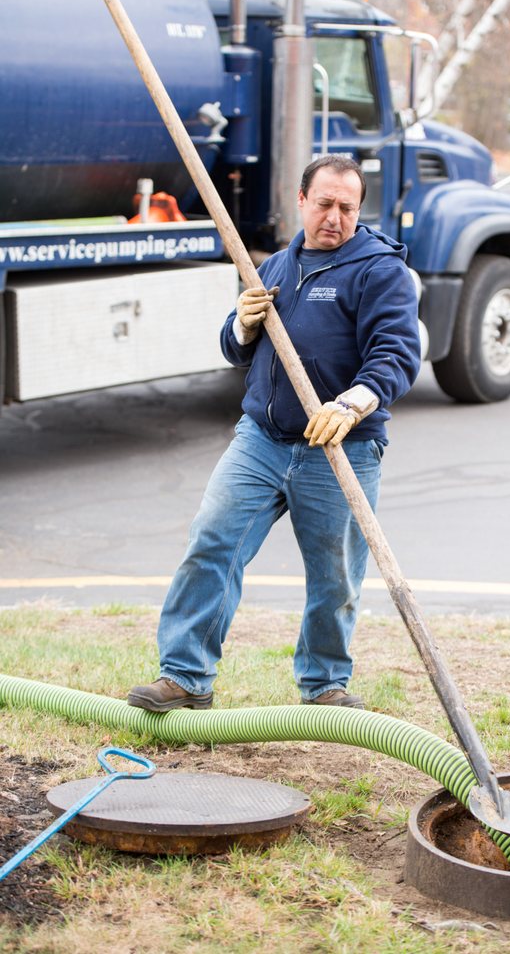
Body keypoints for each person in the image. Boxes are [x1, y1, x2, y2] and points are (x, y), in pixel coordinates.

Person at [128, 155, 422, 713]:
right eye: (326, 204)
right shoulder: (278, 266)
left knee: (335, 576)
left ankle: (324, 685)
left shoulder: (379, 271)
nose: (335, 217)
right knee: (212, 542)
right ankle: (186, 677)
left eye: (348, 208)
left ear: (359, 211)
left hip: (340, 447)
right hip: (260, 439)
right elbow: (235, 350)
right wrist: (241, 323)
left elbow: (398, 353)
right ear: (302, 201)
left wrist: (355, 403)